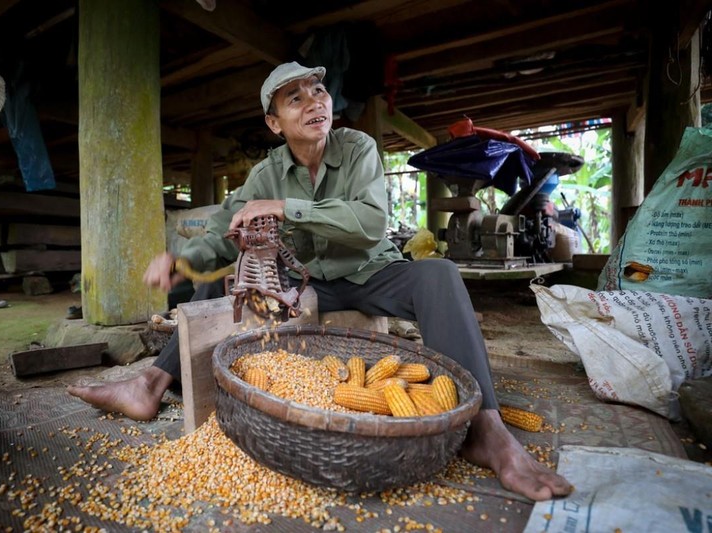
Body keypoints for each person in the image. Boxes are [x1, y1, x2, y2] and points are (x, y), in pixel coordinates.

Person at [68, 61, 573, 501]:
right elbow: (228, 228)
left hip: (373, 273)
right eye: (296, 98)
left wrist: (288, 207)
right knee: (227, 281)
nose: (315, 103)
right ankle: (149, 384)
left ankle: (486, 427)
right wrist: (185, 259)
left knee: (438, 274)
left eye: (319, 92)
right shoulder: (266, 172)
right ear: (274, 122)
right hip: (307, 281)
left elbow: (371, 223)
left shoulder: (359, 150)